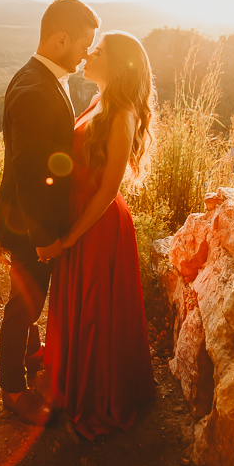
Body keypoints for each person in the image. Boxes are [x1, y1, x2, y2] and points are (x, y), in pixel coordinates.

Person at [35, 31, 157, 439]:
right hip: (78, 217)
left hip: (99, 224)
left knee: (93, 312)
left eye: (98, 51)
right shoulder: (98, 102)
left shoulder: (122, 115)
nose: (88, 53)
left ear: (117, 66)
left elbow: (108, 190)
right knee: (77, 304)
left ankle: (96, 396)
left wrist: (69, 238)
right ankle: (70, 379)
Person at [0, 0, 99, 425]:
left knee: (29, 303)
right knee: (24, 305)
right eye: (83, 45)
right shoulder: (35, 89)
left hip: (29, 221)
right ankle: (13, 389)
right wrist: (43, 238)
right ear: (60, 38)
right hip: (28, 226)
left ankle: (31, 353)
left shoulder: (43, 76)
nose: (86, 54)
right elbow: (31, 174)